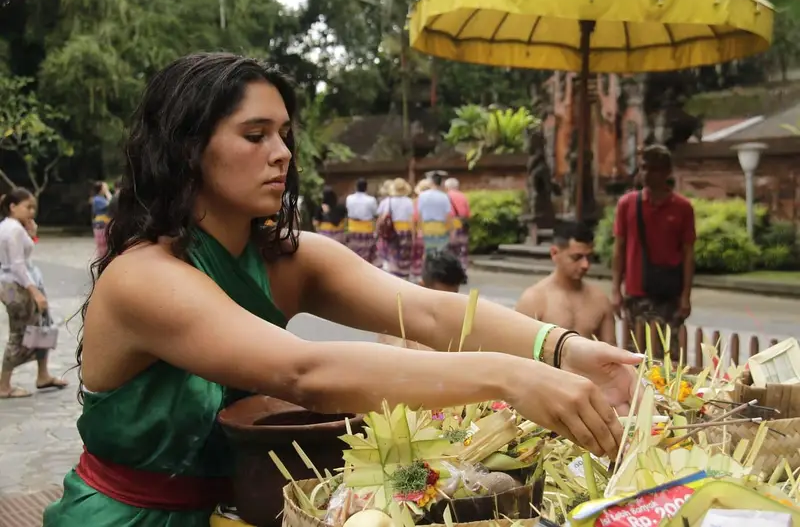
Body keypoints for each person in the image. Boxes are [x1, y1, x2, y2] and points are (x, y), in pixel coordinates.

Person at [43, 53, 640, 526]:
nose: (282, 153)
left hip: (245, 509)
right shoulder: (144, 277)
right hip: (130, 520)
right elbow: (307, 371)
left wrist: (566, 351)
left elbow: (430, 312)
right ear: (188, 149)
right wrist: (512, 377)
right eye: (255, 135)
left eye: (283, 133)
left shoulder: (288, 259)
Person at [611, 145, 696, 358]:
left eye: (654, 169)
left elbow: (688, 253)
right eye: (643, 168)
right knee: (636, 354)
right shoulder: (627, 204)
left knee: (669, 355)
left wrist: (686, 296)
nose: (647, 174)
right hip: (637, 292)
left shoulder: (682, 207)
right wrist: (615, 290)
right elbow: (619, 249)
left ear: (667, 172)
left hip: (669, 294)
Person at [0, 188, 67, 399]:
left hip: (10, 284)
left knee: (40, 325)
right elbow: (18, 265)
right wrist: (35, 292)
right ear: (12, 206)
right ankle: (4, 385)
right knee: (20, 333)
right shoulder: (13, 230)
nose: (31, 211)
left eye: (33, 208)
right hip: (17, 285)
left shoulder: (8, 227)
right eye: (27, 207)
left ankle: (43, 374)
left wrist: (31, 233)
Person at [515, 221, 616, 344]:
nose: (585, 265)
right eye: (576, 257)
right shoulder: (534, 300)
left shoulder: (600, 301)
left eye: (589, 257)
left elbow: (612, 353)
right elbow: (517, 352)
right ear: (554, 253)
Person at [377, 249, 468, 349]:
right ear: (422, 286)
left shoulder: (460, 318)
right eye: (442, 298)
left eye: (454, 296)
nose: (449, 306)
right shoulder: (400, 319)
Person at [377, 178, 415, 279]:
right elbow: (412, 219)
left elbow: (383, 217)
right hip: (406, 231)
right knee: (405, 254)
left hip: (393, 231)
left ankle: (394, 276)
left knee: (393, 254)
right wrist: (414, 235)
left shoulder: (387, 201)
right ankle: (404, 275)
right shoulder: (409, 202)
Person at [417, 171, 453, 254]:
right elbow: (448, 216)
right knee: (441, 253)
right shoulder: (444, 196)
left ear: (431, 182)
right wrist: (451, 230)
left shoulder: (422, 196)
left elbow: (420, 215)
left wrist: (419, 230)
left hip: (427, 228)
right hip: (441, 228)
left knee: (429, 253)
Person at [345, 177, 378, 264]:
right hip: (366, 229)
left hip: (353, 228)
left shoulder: (349, 198)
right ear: (366, 187)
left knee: (353, 253)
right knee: (366, 255)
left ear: (356, 187)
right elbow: (375, 213)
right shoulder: (371, 200)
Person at [444, 177, 471, 271]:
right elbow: (468, 213)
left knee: (450, 248)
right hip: (462, 224)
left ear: (447, 187)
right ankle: (462, 269)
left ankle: (451, 270)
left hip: (450, 224)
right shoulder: (463, 196)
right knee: (462, 248)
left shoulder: (445, 196)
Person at [410, 178, 431, 282]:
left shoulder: (416, 202)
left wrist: (412, 236)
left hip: (420, 233)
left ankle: (419, 277)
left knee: (418, 256)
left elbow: (414, 220)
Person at [90, 181, 113, 257]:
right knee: (103, 243)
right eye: (105, 187)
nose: (107, 188)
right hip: (101, 223)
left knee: (106, 243)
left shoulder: (101, 198)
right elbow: (111, 203)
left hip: (104, 221)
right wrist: (107, 193)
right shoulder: (97, 199)